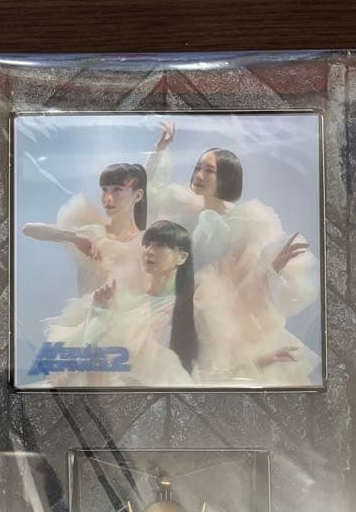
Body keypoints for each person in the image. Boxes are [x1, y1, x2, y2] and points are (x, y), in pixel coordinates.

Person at [146, 122, 318, 385]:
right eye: (197, 168)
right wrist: (160, 149)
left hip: (221, 311)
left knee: (219, 372)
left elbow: (249, 280)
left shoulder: (247, 220)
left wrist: (275, 265)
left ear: (226, 178)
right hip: (179, 302)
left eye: (209, 170)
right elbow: (149, 196)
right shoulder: (185, 209)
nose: (199, 175)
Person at [42, 220, 197, 388]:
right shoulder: (127, 301)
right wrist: (98, 312)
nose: (149, 251)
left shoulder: (191, 307)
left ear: (182, 257)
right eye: (147, 244)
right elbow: (91, 355)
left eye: (160, 245)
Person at [22, 163, 149, 296]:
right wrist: (74, 238)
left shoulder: (146, 244)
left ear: (138, 195)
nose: (108, 198)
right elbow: (29, 229)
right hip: (88, 308)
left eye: (117, 190)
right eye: (104, 190)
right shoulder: (94, 233)